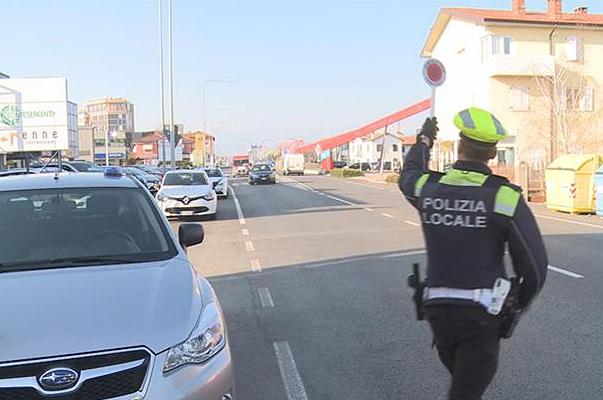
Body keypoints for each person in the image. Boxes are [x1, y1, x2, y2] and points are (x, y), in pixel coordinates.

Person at [399, 108, 548, 400]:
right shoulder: (504, 197)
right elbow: (534, 268)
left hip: (438, 314)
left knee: (465, 387)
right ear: (493, 154)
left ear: (458, 146)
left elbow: (409, 175)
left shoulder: (428, 188)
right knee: (466, 392)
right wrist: (516, 308)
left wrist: (425, 139)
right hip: (481, 318)